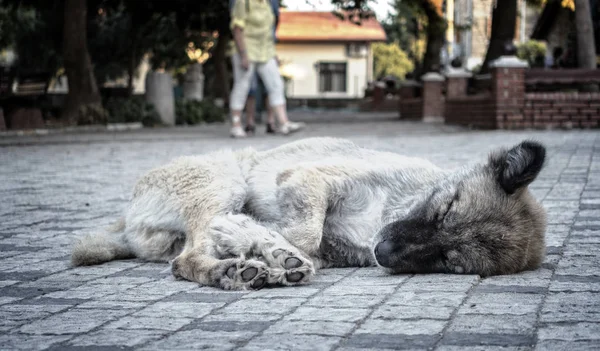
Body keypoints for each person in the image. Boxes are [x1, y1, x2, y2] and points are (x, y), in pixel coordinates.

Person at [229, 0, 304, 138]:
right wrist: (243, 55)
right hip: (247, 49)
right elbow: (237, 29)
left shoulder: (267, 4)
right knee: (242, 86)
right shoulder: (243, 2)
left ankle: (284, 123)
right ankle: (236, 125)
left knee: (276, 84)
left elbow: (269, 32)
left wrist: (274, 54)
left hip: (266, 51)